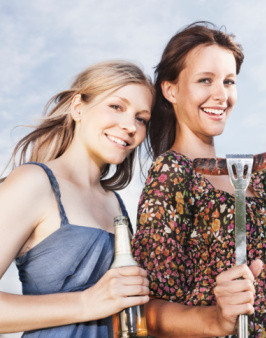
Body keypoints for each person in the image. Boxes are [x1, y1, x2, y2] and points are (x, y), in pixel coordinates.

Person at [131, 22, 266, 337]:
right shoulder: (172, 173)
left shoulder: (256, 178)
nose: (221, 95)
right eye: (204, 81)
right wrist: (216, 319)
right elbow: (149, 309)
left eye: (229, 81)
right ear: (170, 90)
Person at [0, 60, 153, 337]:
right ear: (77, 107)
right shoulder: (34, 182)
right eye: (116, 106)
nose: (130, 126)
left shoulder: (116, 204)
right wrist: (85, 303)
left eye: (141, 118)